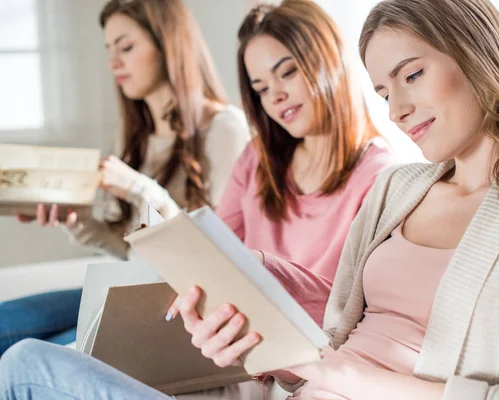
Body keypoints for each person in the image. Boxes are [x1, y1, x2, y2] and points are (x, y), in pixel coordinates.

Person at [173, 0, 499, 399]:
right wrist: (262, 343)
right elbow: (333, 346)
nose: (396, 111)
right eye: (383, 93)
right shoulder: (396, 189)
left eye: (412, 76)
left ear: (477, 54)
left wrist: (335, 373)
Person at [0, 1, 397, 399]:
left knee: (24, 362)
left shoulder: (381, 178)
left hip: (266, 368)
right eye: (259, 88)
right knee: (27, 355)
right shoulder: (259, 159)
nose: (274, 96)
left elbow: (353, 318)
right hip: (208, 351)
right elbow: (205, 258)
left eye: (287, 72)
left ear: (329, 61)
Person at [0, 0, 250, 355]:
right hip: (131, 283)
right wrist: (79, 222)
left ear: (167, 45)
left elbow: (216, 256)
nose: (113, 62)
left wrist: (140, 189)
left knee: (25, 355)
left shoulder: (225, 128)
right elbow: (132, 251)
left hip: (176, 301)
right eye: (109, 50)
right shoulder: (137, 137)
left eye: (127, 47)